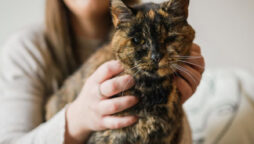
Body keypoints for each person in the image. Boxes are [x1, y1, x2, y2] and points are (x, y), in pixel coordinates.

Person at [0, 0, 205, 144]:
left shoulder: (153, 23)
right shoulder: (27, 49)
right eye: (137, 42)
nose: (155, 55)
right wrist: (77, 119)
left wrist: (173, 107)